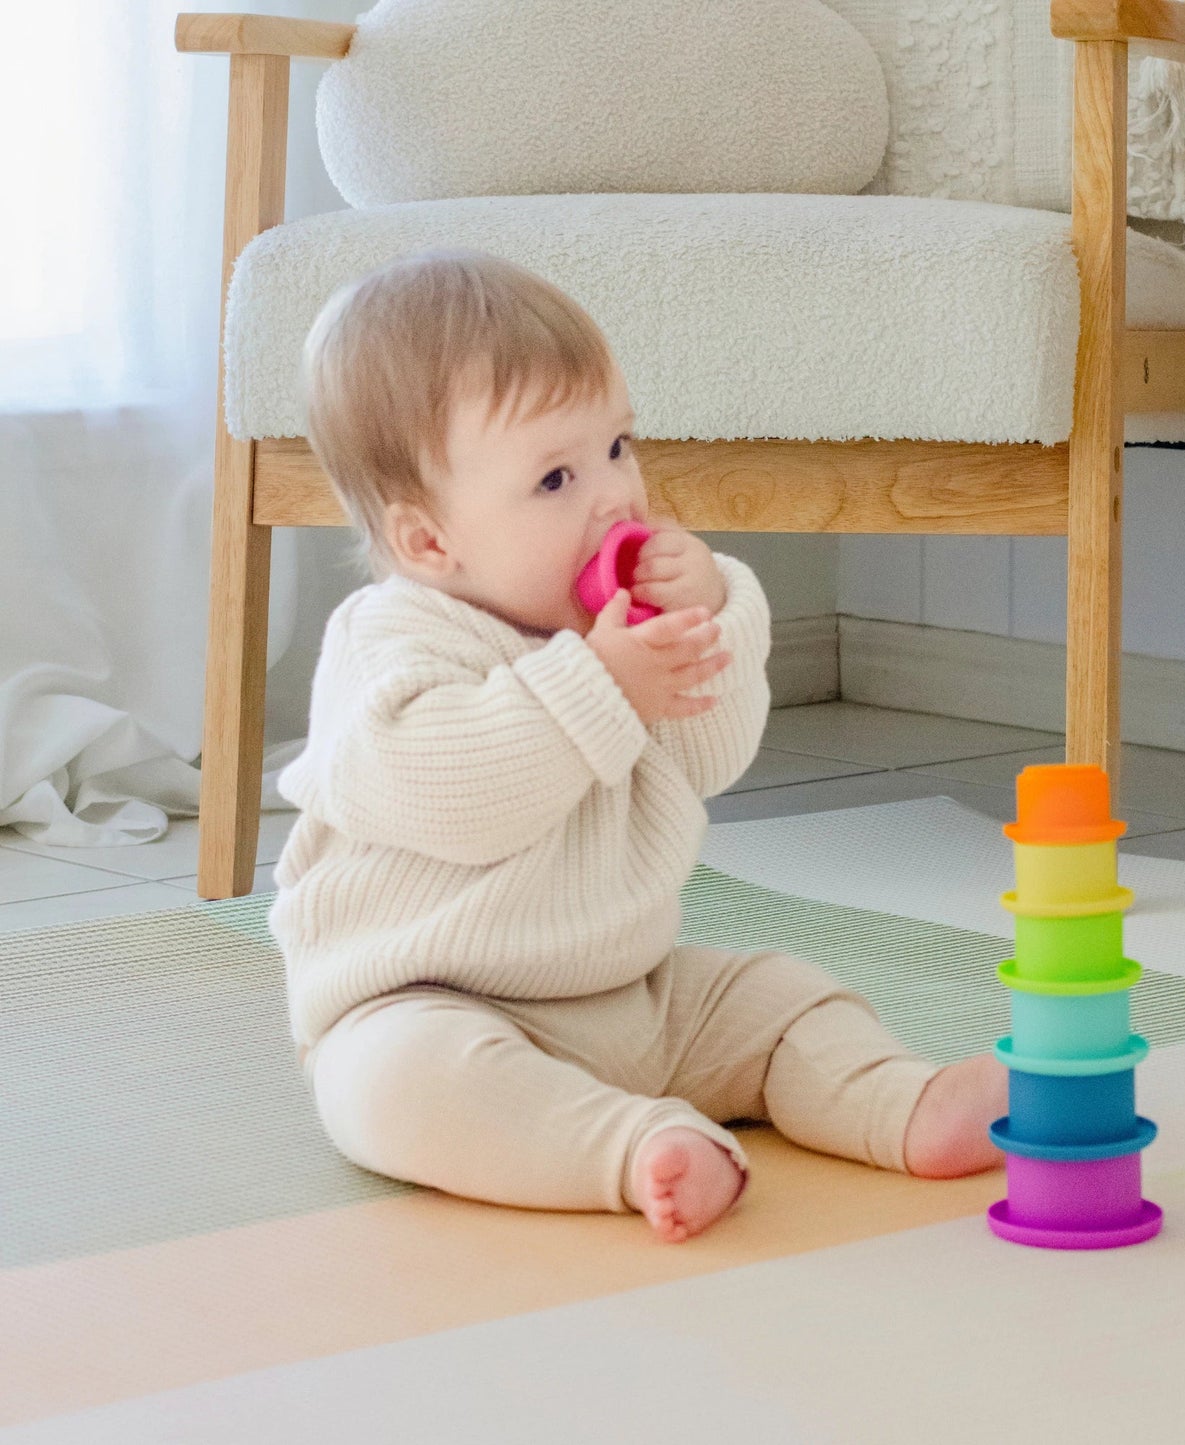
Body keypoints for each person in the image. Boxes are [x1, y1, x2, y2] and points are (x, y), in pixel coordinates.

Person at [268, 248, 1007, 1244]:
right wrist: (602, 682)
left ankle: (900, 1102)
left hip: (630, 995)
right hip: (428, 1002)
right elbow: (460, 793)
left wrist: (707, 623)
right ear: (429, 542)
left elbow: (709, 763)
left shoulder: (612, 627)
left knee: (776, 993)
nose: (615, 496)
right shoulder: (394, 640)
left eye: (618, 444)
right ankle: (627, 1147)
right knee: (395, 1089)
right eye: (557, 476)